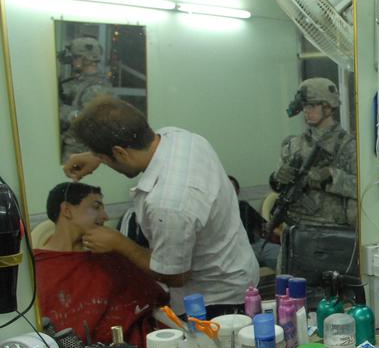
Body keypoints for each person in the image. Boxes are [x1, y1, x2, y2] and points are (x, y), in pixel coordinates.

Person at [63, 96, 259, 316]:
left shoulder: (168, 204)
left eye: (106, 158)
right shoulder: (182, 138)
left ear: (119, 152)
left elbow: (175, 276)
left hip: (215, 303)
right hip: (238, 270)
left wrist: (120, 243)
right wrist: (97, 155)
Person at [35, 182, 168, 348]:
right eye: (96, 207)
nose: (105, 216)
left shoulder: (110, 255)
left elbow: (156, 297)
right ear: (67, 210)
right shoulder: (37, 268)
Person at [268, 77, 357, 229]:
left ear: (328, 107)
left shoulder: (349, 146)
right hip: (297, 230)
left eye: (312, 105)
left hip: (333, 232)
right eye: (304, 106)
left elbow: (365, 190)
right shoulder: (293, 145)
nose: (306, 111)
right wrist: (277, 178)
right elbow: (278, 186)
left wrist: (331, 177)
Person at [59, 36, 114, 162]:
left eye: (75, 57)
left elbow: (91, 122)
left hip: (81, 151)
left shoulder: (96, 88)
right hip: (76, 148)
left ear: (84, 59)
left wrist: (61, 110)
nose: (72, 61)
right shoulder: (83, 82)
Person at [228, 175, 279, 271]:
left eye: (232, 188)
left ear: (237, 191)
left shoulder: (244, 206)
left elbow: (264, 224)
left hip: (255, 245)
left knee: (279, 255)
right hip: (234, 250)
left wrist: (277, 234)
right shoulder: (215, 212)